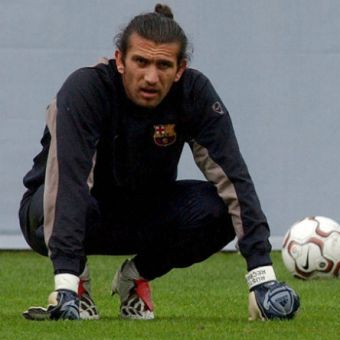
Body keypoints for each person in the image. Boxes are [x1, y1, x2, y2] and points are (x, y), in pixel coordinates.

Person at [18, 4, 299, 321]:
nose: (151, 77)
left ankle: (135, 277)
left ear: (180, 69)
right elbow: (69, 182)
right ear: (120, 60)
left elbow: (235, 179)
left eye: (163, 65)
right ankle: (79, 287)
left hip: (142, 212)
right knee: (51, 203)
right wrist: (65, 285)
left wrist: (262, 279)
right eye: (141, 61)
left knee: (219, 210)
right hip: (65, 211)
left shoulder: (194, 93)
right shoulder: (86, 90)